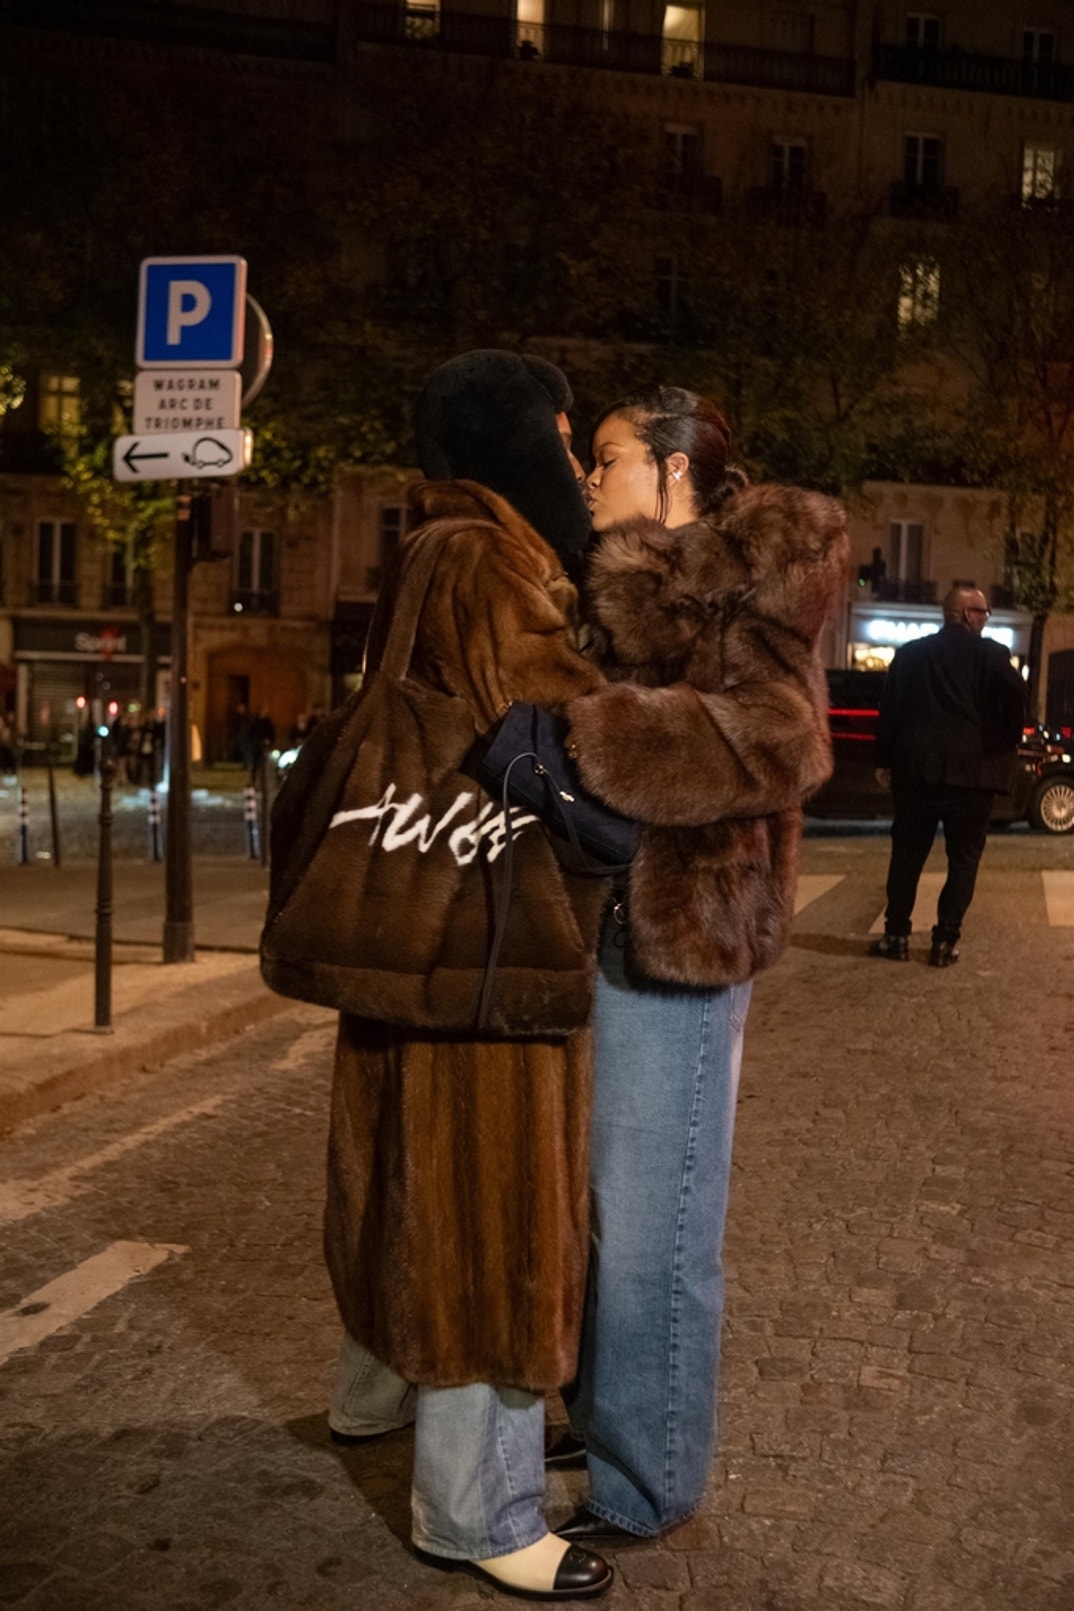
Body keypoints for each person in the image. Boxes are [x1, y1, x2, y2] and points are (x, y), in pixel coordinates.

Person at [323, 351, 615, 1601]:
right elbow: (571, 724)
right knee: (492, 1220)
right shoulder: (497, 562)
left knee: (407, 1177)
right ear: (522, 438)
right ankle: (478, 1510)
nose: (578, 466)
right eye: (564, 436)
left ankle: (369, 1392)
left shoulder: (430, 547)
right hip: (490, 937)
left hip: (421, 924)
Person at [539, 386, 848, 1542]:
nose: (591, 479)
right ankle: (601, 1415)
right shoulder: (626, 587)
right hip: (599, 928)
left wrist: (598, 739)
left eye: (610, 457)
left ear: (674, 472)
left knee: (656, 1226)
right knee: (602, 1210)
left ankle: (647, 1480)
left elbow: (786, 740)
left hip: (685, 941)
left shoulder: (743, 585)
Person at [869, 585, 1025, 967]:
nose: (986, 619)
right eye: (984, 613)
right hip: (973, 776)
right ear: (968, 615)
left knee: (907, 857)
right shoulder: (991, 655)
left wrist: (884, 759)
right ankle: (944, 941)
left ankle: (896, 935)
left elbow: (889, 710)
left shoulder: (911, 655)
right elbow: (1017, 697)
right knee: (964, 860)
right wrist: (1004, 738)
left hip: (917, 772)